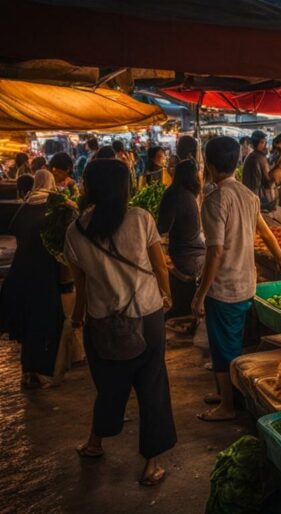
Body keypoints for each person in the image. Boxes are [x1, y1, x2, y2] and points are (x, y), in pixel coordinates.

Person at [64, 159, 175, 486]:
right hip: (147, 317)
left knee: (109, 387)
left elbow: (80, 285)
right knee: (152, 387)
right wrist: (166, 297)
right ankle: (151, 464)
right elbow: (161, 268)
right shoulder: (141, 220)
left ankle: (95, 443)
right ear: (125, 187)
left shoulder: (75, 230)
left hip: (102, 322)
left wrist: (77, 316)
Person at [193, 137, 281, 421]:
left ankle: (227, 406)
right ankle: (226, 393)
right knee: (229, 343)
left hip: (225, 287)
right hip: (246, 284)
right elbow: (265, 231)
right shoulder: (248, 195)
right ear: (236, 163)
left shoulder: (215, 199)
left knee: (225, 348)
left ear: (209, 165)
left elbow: (215, 252)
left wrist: (200, 294)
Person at [0, 170, 64, 389]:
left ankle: (28, 370)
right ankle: (42, 371)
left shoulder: (24, 207)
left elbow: (14, 231)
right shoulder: (56, 207)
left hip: (21, 272)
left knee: (27, 322)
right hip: (45, 272)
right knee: (46, 322)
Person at [157, 160, 205, 320]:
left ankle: (181, 307)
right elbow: (164, 228)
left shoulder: (174, 194)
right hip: (191, 255)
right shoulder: (185, 195)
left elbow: (163, 227)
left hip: (185, 255)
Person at [242, 130, 281, 227]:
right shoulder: (258, 158)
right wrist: (280, 169)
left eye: (265, 142)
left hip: (252, 199)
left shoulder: (251, 156)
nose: (265, 145)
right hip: (260, 202)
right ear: (256, 143)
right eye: (262, 142)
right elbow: (268, 181)